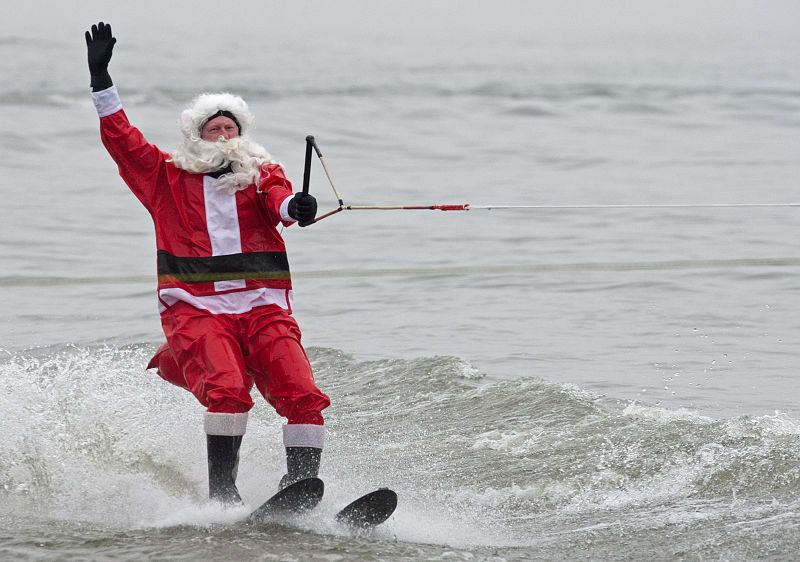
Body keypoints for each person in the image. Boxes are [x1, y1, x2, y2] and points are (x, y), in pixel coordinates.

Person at [85, 22, 331, 505]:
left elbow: (280, 202)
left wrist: (297, 208)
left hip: (263, 306)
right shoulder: (163, 177)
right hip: (195, 309)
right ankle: (224, 493)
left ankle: (299, 487)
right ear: (195, 137)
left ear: (243, 135)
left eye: (230, 128)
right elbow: (122, 140)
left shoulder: (261, 173)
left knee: (301, 391)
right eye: (214, 129)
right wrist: (101, 82)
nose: (223, 136)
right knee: (227, 389)